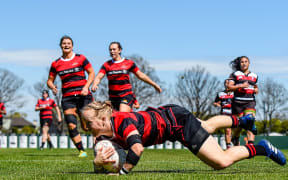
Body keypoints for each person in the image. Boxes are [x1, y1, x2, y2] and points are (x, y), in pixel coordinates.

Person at [81, 101, 286, 175]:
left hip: (177, 123)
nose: (86, 127)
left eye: (88, 123)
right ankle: (243, 122)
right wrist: (97, 163)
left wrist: (123, 173)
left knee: (221, 162)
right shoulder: (101, 135)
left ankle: (262, 148)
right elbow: (103, 163)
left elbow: (137, 149)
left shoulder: (122, 123)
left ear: (102, 119)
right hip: (170, 113)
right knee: (206, 126)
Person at [47, 35, 95, 157]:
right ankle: (82, 151)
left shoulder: (81, 58)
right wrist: (52, 86)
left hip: (84, 96)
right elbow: (50, 80)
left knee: (88, 125)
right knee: (71, 124)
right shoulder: (56, 63)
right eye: (64, 43)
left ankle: (99, 146)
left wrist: (86, 87)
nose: (66, 45)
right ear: (60, 46)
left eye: (68, 43)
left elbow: (91, 73)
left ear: (72, 46)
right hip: (68, 98)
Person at [91, 42, 162, 112]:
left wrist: (154, 85)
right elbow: (99, 77)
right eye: (110, 50)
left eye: (114, 49)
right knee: (114, 120)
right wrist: (95, 84)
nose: (112, 51)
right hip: (113, 98)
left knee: (121, 115)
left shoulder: (129, 63)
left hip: (126, 95)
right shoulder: (106, 65)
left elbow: (141, 75)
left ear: (119, 50)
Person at [227, 56, 258, 145]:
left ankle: (251, 145)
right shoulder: (235, 74)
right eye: (242, 62)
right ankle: (235, 137)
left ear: (249, 63)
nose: (244, 63)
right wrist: (240, 86)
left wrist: (256, 90)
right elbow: (229, 87)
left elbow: (255, 86)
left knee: (250, 121)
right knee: (238, 127)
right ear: (239, 64)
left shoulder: (254, 76)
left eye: (246, 61)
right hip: (237, 104)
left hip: (250, 102)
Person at [213, 79, 234, 149]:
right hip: (225, 113)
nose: (227, 84)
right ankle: (229, 147)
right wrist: (217, 104)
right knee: (228, 130)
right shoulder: (220, 94)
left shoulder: (235, 93)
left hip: (234, 113)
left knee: (236, 131)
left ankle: (235, 143)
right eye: (226, 83)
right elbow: (215, 102)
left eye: (229, 83)